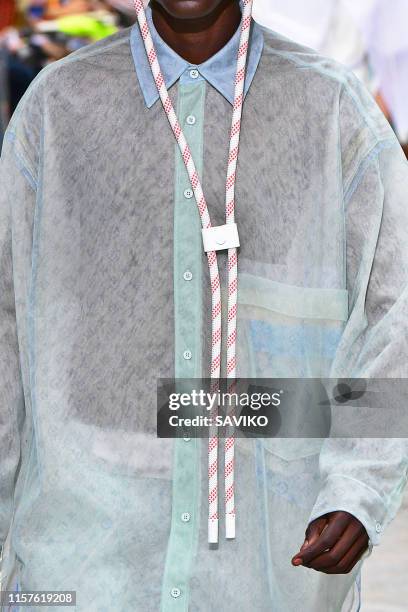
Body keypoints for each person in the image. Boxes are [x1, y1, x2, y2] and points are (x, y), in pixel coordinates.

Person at [0, 0, 407, 610]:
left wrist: (357, 485)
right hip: (84, 572)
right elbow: (7, 333)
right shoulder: (57, 112)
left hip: (264, 578)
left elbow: (394, 313)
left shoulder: (333, 115)